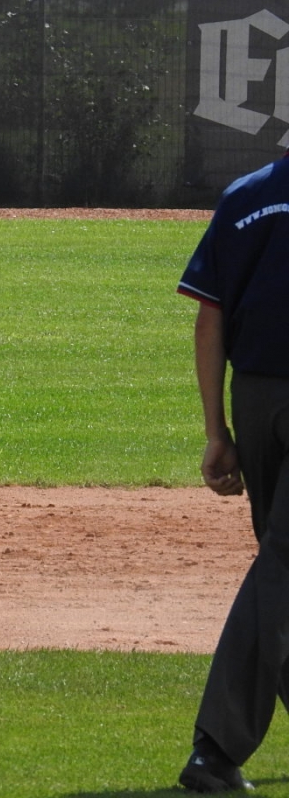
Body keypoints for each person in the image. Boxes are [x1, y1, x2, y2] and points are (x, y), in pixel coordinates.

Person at [176, 150, 289, 793]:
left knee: (282, 566)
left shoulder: (245, 196)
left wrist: (218, 431)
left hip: (255, 399)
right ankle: (216, 749)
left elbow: (209, 318)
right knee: (283, 568)